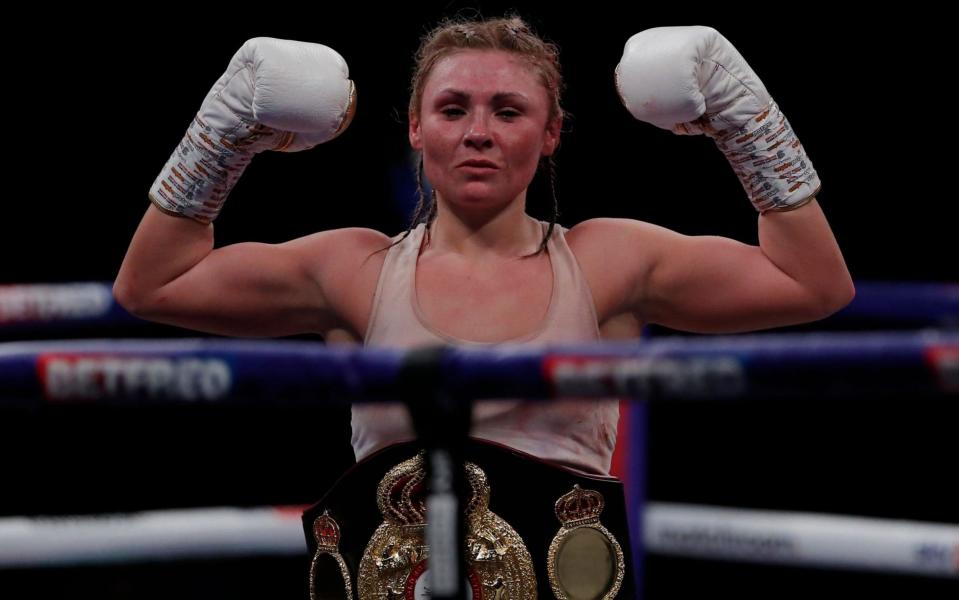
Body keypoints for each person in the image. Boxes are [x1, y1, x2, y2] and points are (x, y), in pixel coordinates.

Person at [114, 16, 854, 598]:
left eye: (507, 110)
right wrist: (222, 136)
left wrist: (742, 122)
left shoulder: (607, 262)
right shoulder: (353, 269)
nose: (478, 132)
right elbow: (153, 284)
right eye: (452, 108)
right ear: (414, 126)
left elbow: (813, 284)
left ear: (551, 132)